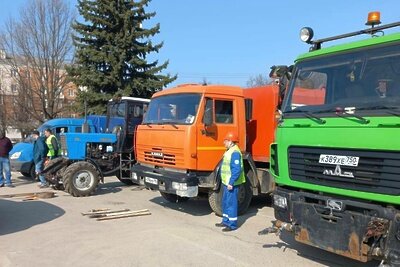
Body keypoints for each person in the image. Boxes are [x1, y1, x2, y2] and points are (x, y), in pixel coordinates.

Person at [215, 131, 245, 232]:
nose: (224, 142)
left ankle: (232, 225)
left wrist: (231, 182)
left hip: (231, 183)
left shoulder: (235, 152)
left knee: (231, 204)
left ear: (231, 141)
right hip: (226, 182)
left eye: (226, 140)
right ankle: (225, 220)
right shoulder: (230, 150)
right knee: (225, 202)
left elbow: (236, 170)